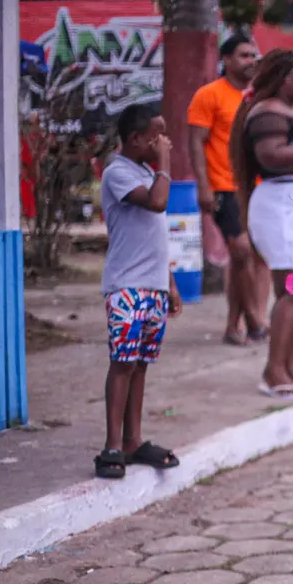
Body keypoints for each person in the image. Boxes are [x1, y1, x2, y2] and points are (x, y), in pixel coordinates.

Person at [229, 49, 293, 398]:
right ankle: (273, 370)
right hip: (280, 206)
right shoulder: (267, 112)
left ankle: (287, 365)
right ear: (284, 77)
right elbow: (270, 156)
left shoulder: (286, 110)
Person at [95, 104, 183, 480]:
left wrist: (170, 284)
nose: (164, 142)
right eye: (156, 136)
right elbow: (157, 203)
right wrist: (165, 164)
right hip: (126, 287)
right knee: (123, 363)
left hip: (153, 287)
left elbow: (155, 237)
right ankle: (113, 445)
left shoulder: (147, 172)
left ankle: (134, 440)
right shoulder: (117, 172)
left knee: (141, 364)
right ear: (134, 139)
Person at [188, 34, 264, 345]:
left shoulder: (255, 97)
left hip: (254, 187)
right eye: (244, 55)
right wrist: (203, 186)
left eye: (254, 55)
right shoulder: (209, 95)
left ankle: (234, 326)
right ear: (226, 60)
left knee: (242, 258)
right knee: (241, 250)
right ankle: (254, 320)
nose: (251, 61)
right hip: (222, 187)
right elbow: (195, 142)